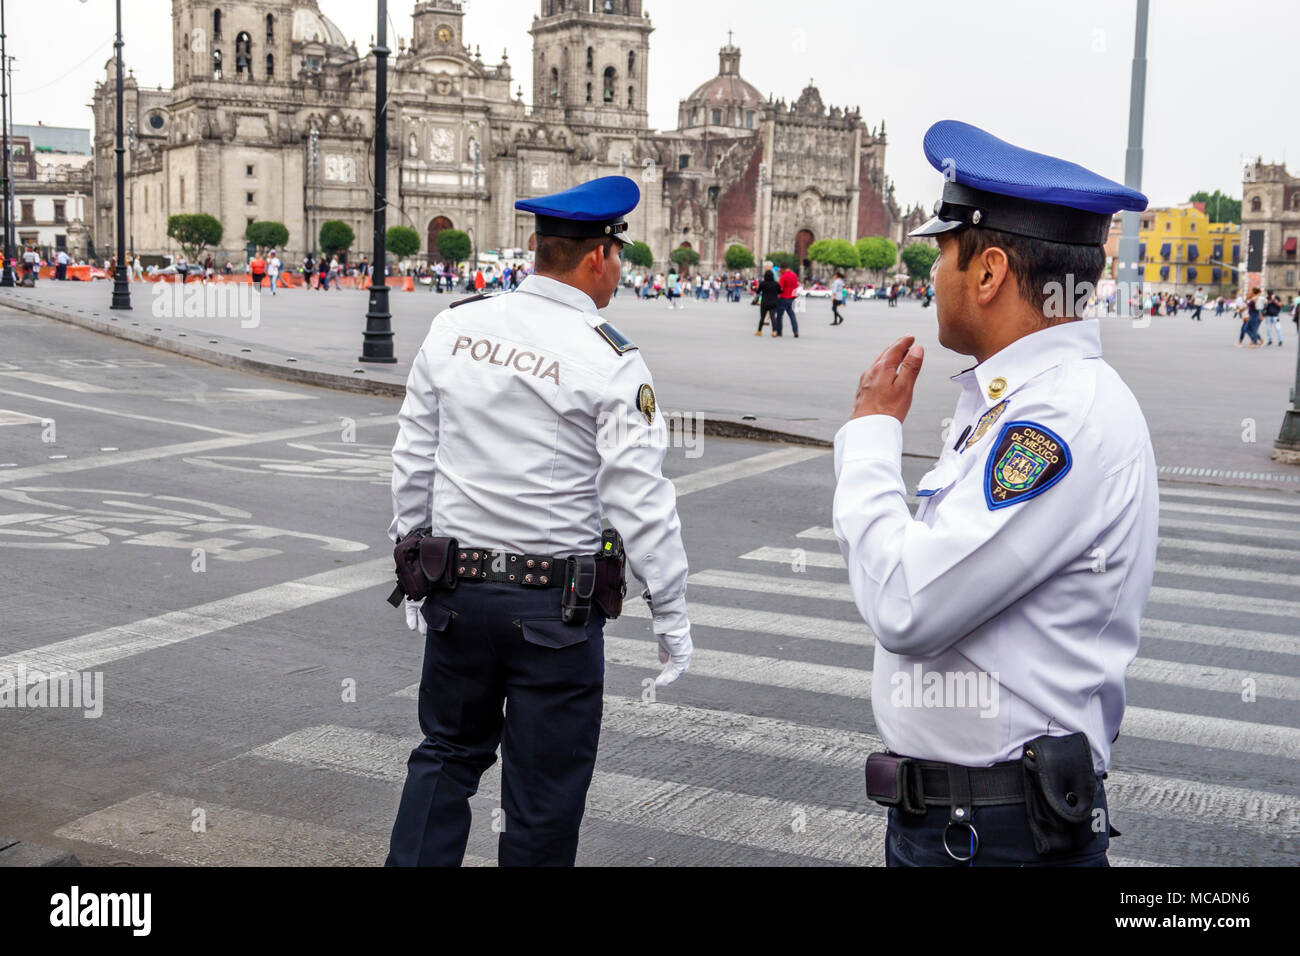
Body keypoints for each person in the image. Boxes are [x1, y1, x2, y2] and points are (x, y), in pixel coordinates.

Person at [833, 120, 1157, 867]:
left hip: (999, 837)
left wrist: (872, 438)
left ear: (989, 273)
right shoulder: (1012, 400)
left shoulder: (1058, 419)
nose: (932, 275)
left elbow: (909, 603)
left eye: (944, 253)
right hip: (967, 822)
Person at [385, 175, 693, 868]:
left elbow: (413, 458)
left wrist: (410, 562)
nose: (619, 269)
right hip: (555, 614)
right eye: (619, 255)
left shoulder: (457, 326)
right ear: (597, 258)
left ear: (537, 249)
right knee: (541, 803)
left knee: (444, 759)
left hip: (458, 596)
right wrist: (670, 613)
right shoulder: (611, 357)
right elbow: (640, 500)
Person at [774, 263, 800, 337]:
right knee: (792, 315)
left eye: (781, 270)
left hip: (783, 298)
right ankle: (795, 331)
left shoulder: (783, 276)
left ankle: (779, 331)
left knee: (779, 316)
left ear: (783, 269)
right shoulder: (794, 275)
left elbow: (780, 288)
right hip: (792, 298)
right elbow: (796, 286)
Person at [755, 268, 780, 335]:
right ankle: (774, 331)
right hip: (774, 302)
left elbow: (758, 292)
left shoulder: (763, 283)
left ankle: (759, 331)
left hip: (764, 302)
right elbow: (779, 292)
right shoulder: (776, 284)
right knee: (773, 317)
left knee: (762, 318)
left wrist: (755, 289)